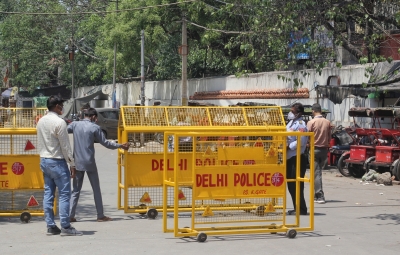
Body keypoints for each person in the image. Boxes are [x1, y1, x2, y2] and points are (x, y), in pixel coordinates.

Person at [67, 108, 130, 222]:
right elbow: (106, 143)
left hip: (77, 163)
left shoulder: (75, 125)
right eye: (96, 118)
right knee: (96, 189)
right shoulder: (94, 127)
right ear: (93, 117)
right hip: (89, 162)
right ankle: (100, 215)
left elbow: (64, 129)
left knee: (75, 190)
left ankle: (70, 215)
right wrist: (121, 145)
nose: (96, 120)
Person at [36, 95, 82, 236]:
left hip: (44, 160)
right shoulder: (60, 122)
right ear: (57, 106)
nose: (63, 108)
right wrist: (72, 164)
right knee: (64, 195)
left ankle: (50, 225)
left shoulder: (41, 121)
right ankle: (66, 227)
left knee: (48, 193)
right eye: (61, 105)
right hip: (57, 162)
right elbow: (65, 146)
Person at [286, 103, 308, 215]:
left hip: (297, 157)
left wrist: (288, 146)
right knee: (291, 185)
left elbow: (302, 141)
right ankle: (297, 207)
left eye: (293, 111)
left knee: (296, 184)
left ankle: (301, 209)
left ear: (299, 113)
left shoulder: (301, 125)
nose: (291, 113)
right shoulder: (291, 122)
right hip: (290, 157)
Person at [307, 103, 331, 204]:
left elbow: (306, 136)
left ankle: (319, 195)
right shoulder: (327, 122)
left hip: (314, 149)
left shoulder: (311, 122)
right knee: (317, 172)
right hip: (324, 150)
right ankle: (315, 195)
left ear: (313, 111)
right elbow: (330, 137)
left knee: (316, 173)